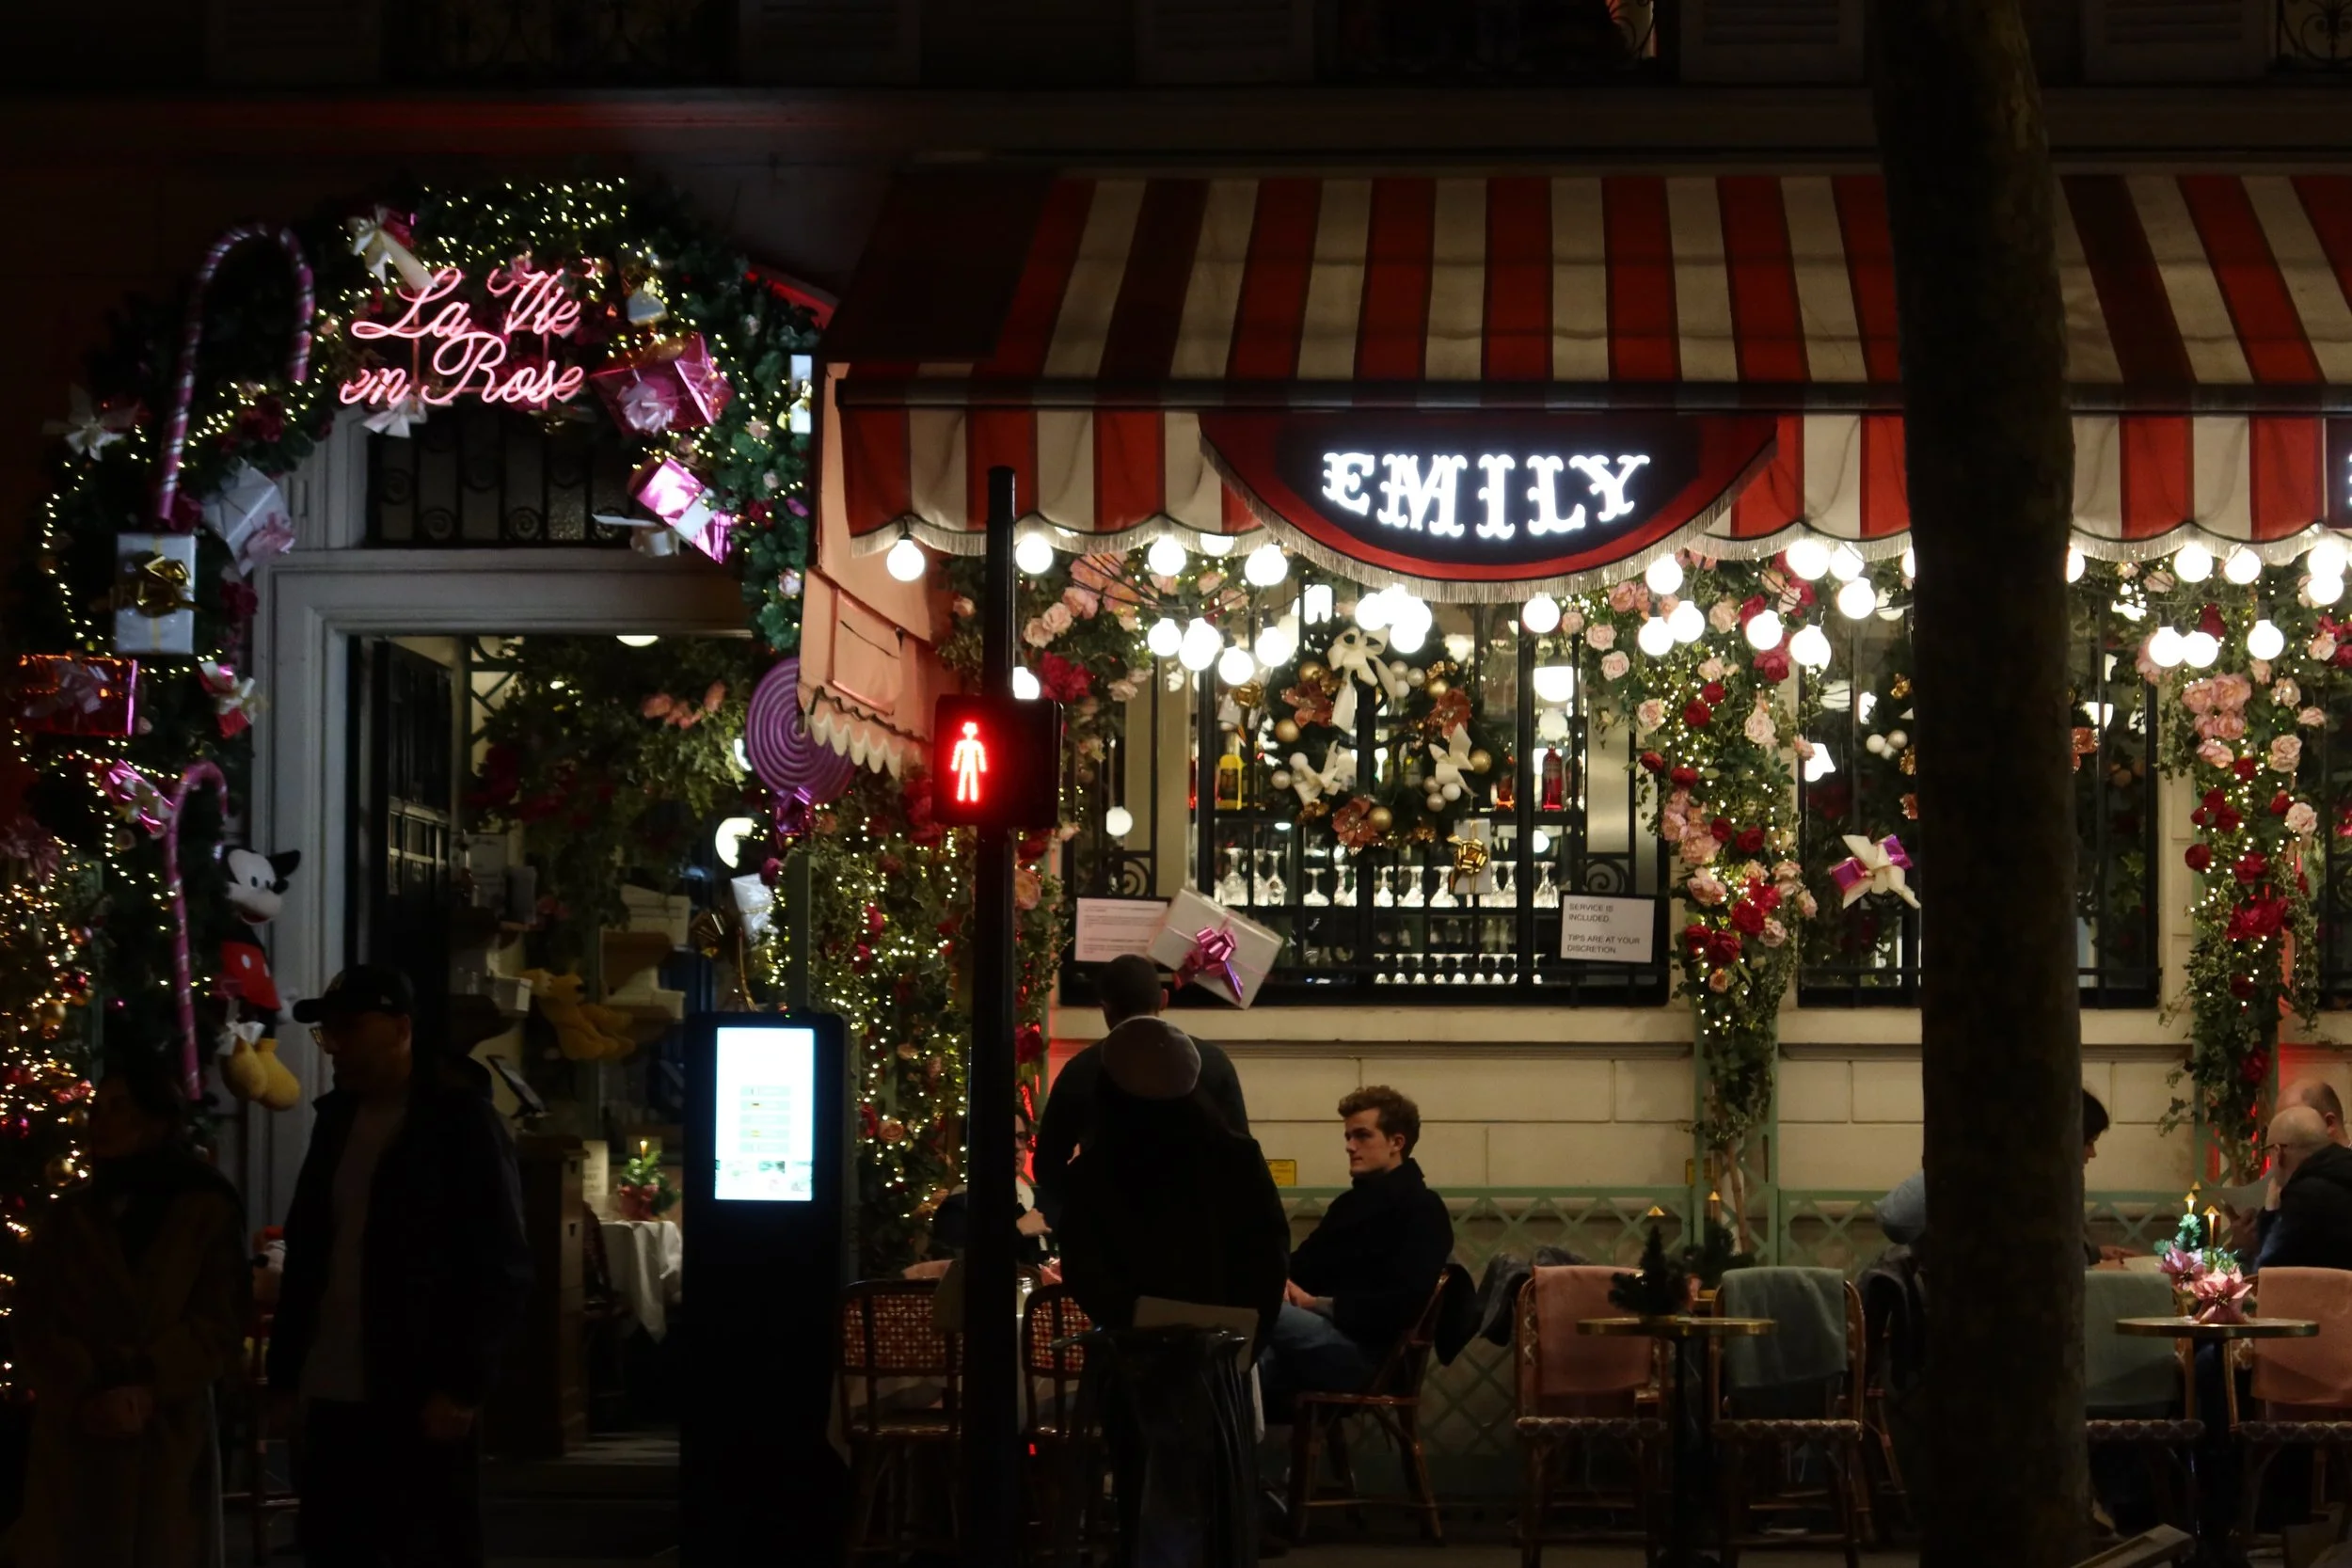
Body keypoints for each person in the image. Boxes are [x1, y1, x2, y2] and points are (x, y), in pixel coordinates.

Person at [268, 964, 533, 1568]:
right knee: (336, 1544)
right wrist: (287, 1375)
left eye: (350, 1028)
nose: (334, 1045)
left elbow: (501, 1263)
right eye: (327, 1033)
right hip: (334, 1384)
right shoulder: (336, 1121)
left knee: (420, 1543)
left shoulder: (458, 1123)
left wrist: (463, 1384)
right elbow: (310, 1250)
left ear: (401, 1028)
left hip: (416, 1387)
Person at [1052, 1019, 1289, 1564]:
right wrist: (1250, 1332)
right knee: (1213, 1482)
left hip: (1134, 1351)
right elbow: (1268, 1254)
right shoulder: (1235, 1157)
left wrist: (1129, 1318)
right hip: (1221, 1350)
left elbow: (1085, 1266)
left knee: (1141, 1475)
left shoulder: (1098, 1169)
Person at [8, 1059, 248, 1568]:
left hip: (163, 1430)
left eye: (120, 1107)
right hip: (77, 1432)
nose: (102, 1120)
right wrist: (84, 1382)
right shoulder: (71, 1215)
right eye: (97, 1107)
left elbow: (218, 1319)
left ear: (158, 1119)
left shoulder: (204, 1209)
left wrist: (146, 1382)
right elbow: (34, 1314)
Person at [1259, 1086, 1453, 1420]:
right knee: (1247, 1361)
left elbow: (1404, 1305)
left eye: (1362, 1135)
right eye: (1348, 1136)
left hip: (1371, 1355)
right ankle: (1229, 1464)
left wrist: (1312, 1303)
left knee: (1251, 1307)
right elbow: (1302, 1265)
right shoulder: (1350, 1205)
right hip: (1325, 1338)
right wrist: (1281, 1282)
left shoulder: (1421, 1209)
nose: (1350, 1146)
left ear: (1397, 1142)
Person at [1034, 953, 1250, 1228]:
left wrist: (1087, 1204)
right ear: (1163, 999)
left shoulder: (1081, 1069)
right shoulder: (1213, 1063)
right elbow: (1241, 1158)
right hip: (1196, 1231)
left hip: (1111, 1234)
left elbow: (1048, 1164)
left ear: (1105, 1009)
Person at [1876, 1087, 2126, 1263]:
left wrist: (2094, 1252)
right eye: (2089, 1142)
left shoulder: (2048, 1183)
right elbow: (1896, 1220)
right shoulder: (1986, 1170)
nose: (2092, 1154)